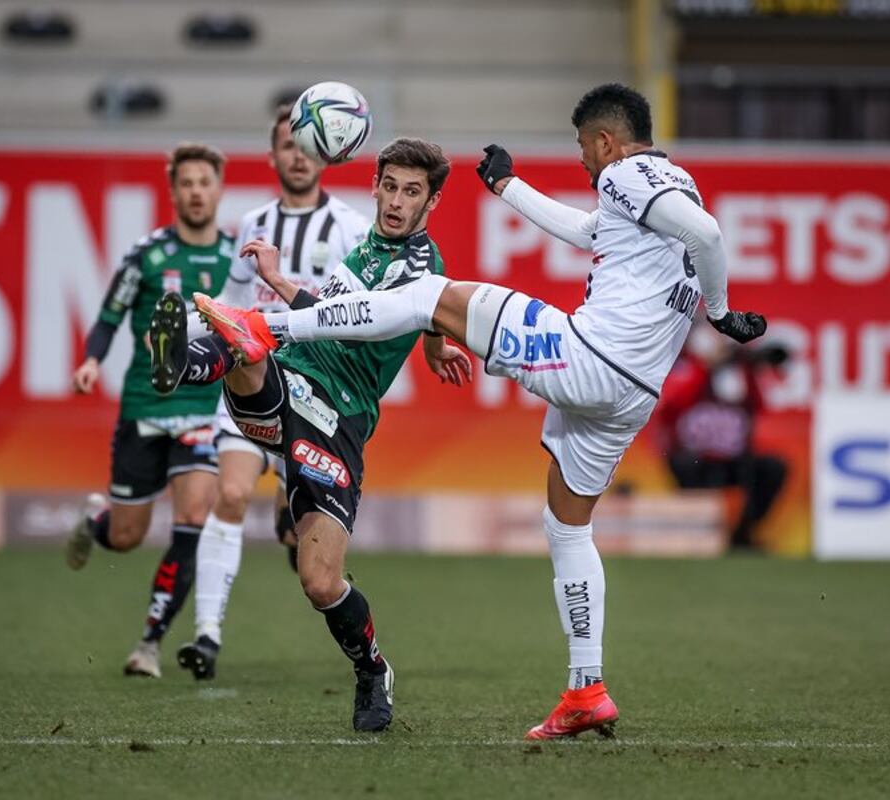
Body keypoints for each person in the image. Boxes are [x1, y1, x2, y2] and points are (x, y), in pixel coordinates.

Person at [186, 84, 766, 739]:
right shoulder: (673, 187)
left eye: (583, 147)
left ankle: (262, 329)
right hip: (633, 394)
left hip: (590, 355)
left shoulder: (627, 172)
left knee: (429, 295)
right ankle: (586, 688)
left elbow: (708, 236)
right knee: (567, 527)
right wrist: (509, 188)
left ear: (607, 141)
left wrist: (721, 312)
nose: (582, 160)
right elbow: (589, 231)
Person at [148, 137, 472, 732]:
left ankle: (372, 670)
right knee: (246, 336)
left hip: (339, 417)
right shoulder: (369, 245)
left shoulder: (422, 266)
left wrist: (277, 281)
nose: (396, 202)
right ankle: (187, 363)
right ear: (374, 185)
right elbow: (388, 314)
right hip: (293, 378)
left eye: (412, 192)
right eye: (390, 187)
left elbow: (352, 323)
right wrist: (433, 347)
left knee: (320, 583)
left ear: (432, 202)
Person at [64, 142, 267, 681]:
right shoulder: (147, 255)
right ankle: (96, 520)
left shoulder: (237, 260)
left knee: (194, 518)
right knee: (126, 536)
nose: (196, 192)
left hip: (205, 406)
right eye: (187, 183)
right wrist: (91, 360)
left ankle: (149, 643)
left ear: (219, 190)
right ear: (174, 191)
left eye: (205, 182)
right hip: (145, 404)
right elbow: (109, 315)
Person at [659, 321, 789, 551]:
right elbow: (672, 404)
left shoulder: (740, 373)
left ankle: (743, 532)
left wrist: (747, 368)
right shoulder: (687, 367)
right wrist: (707, 367)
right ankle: (697, 534)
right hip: (694, 456)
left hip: (734, 459)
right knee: (685, 465)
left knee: (772, 468)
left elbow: (758, 405)